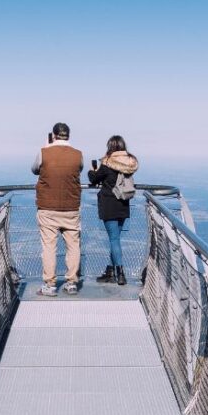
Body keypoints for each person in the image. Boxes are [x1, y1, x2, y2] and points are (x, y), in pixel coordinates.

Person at [31, 122, 84, 296]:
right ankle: (71, 282)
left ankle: (50, 284)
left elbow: (34, 170)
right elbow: (79, 169)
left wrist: (47, 148)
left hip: (47, 207)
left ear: (53, 136)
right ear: (68, 135)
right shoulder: (78, 155)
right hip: (71, 207)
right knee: (73, 246)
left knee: (49, 247)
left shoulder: (44, 152)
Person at [88, 135, 138, 286]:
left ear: (110, 147)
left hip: (109, 203)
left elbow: (94, 179)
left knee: (114, 239)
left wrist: (92, 170)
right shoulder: (129, 163)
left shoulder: (107, 163)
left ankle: (120, 274)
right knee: (115, 239)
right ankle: (110, 272)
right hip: (123, 203)